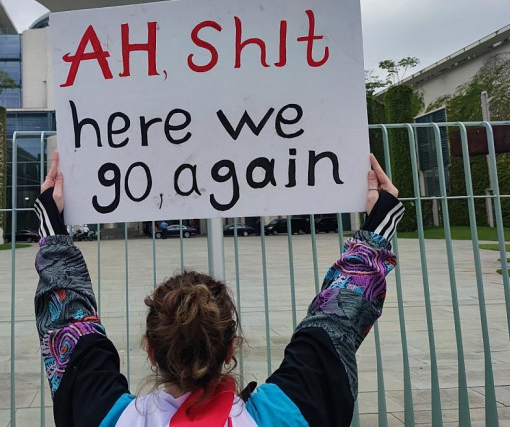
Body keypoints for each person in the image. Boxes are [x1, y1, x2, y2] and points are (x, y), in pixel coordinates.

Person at [33, 152, 403, 427]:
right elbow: (335, 323)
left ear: (150, 349)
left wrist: (52, 230)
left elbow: (68, 327)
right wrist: (377, 228)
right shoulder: (287, 415)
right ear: (232, 348)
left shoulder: (104, 418)